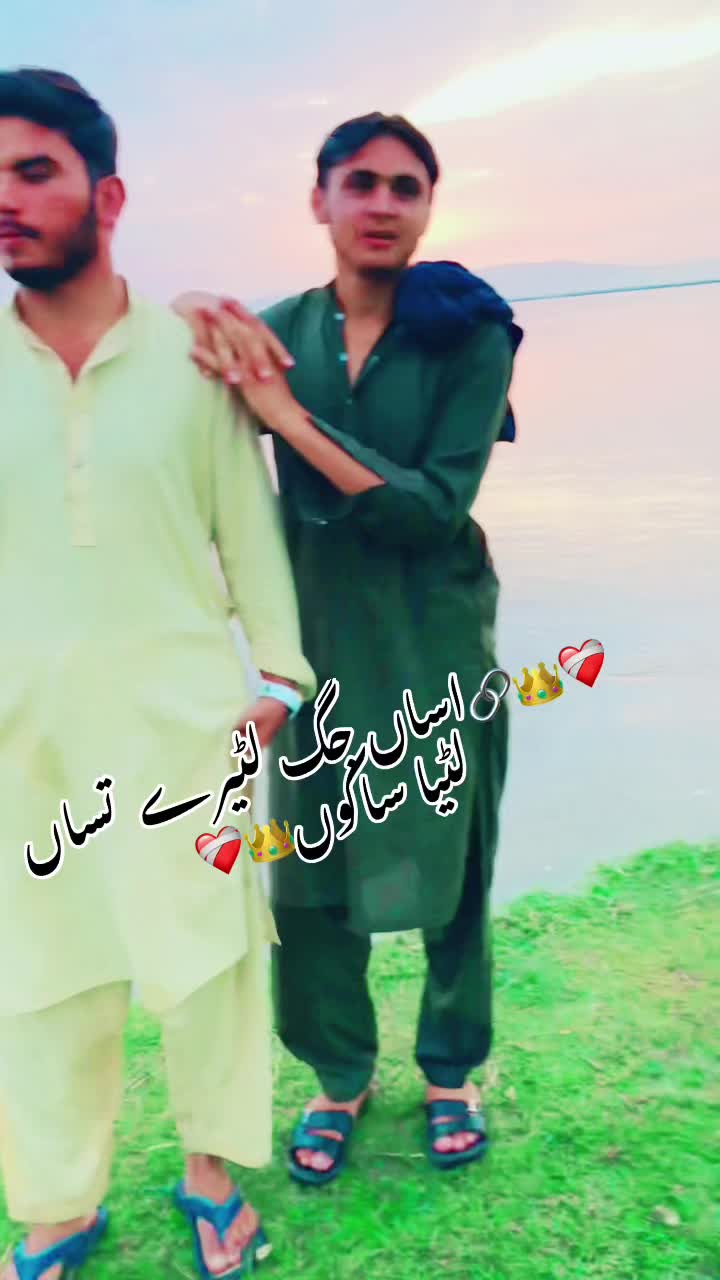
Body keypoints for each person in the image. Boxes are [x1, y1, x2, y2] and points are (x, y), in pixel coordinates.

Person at [0, 68, 315, 1280]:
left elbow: (247, 521)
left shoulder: (195, 356)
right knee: (37, 975)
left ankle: (210, 1172)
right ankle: (55, 1205)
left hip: (185, 719)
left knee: (209, 961)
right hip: (25, 733)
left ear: (109, 194)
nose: (9, 197)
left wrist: (278, 678)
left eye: (36, 170)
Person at [173, 111, 522, 1184]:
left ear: (429, 207)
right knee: (310, 876)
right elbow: (173, 407)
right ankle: (338, 1074)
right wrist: (190, 310)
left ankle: (451, 1068)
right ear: (319, 199)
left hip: (438, 642)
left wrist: (285, 417)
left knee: (455, 862)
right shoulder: (277, 329)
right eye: (360, 183)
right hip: (315, 651)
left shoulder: (468, 334)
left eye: (405, 187)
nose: (382, 204)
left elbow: (431, 508)